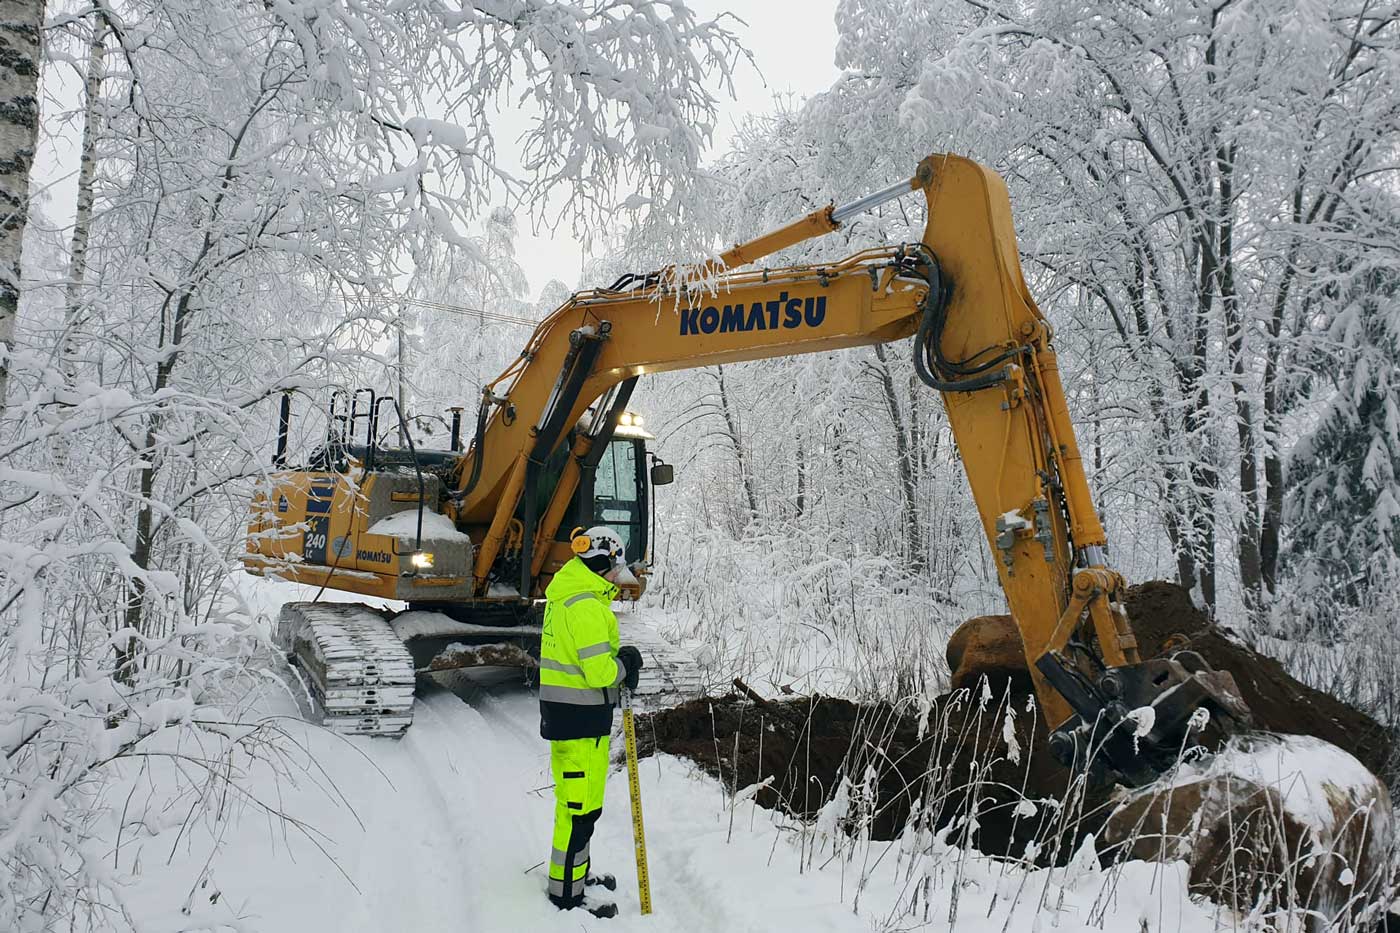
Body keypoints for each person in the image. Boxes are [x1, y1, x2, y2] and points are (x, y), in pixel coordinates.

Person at [539, 525, 645, 919]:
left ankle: (575, 875)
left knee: (581, 808)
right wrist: (627, 663)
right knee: (579, 812)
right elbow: (600, 673)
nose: (621, 572)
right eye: (617, 565)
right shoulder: (585, 606)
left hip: (577, 719)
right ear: (604, 564)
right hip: (579, 721)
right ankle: (566, 894)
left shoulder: (573, 596)